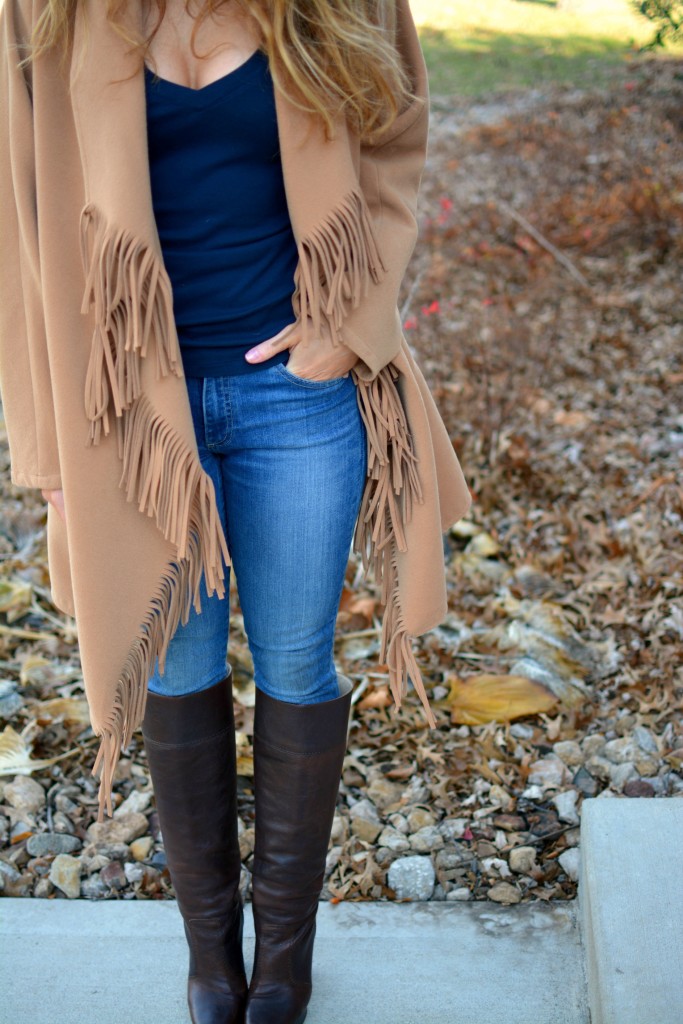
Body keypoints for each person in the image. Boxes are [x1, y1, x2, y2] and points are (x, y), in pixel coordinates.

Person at [0, 1, 472, 1022]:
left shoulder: (333, 6)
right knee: (176, 662)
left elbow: (396, 135)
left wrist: (351, 323)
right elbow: (18, 218)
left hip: (294, 396)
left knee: (298, 658)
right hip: (129, 406)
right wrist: (47, 454)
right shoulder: (51, 16)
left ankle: (284, 961)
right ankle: (211, 959)